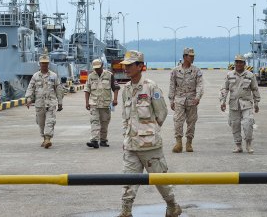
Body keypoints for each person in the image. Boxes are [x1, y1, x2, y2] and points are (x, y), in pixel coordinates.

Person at [118, 50, 182, 217]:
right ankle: (126, 211)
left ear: (140, 66)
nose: (126, 68)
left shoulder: (150, 86)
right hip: (131, 145)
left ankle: (172, 206)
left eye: (130, 65)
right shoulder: (126, 89)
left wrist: (149, 131)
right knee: (128, 181)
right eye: (125, 65)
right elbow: (125, 117)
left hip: (150, 146)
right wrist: (127, 135)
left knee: (160, 180)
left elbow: (162, 112)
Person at [219, 54, 261, 154]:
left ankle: (248, 144)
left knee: (248, 123)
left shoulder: (250, 75)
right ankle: (238, 145)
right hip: (234, 104)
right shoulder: (230, 75)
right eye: (236, 62)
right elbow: (225, 89)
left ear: (244, 64)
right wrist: (222, 101)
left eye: (240, 62)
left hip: (247, 104)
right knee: (235, 124)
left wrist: (256, 103)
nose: (238, 64)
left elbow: (255, 89)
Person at [168, 47, 203, 153]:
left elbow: (200, 85)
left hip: (192, 99)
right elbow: (172, 86)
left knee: (191, 122)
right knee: (178, 121)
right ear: (184, 57)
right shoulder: (175, 71)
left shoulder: (196, 71)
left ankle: (189, 142)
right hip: (179, 99)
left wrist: (198, 97)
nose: (192, 58)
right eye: (190, 56)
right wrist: (171, 100)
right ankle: (178, 143)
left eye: (193, 56)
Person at [25, 54, 64, 149]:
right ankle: (44, 137)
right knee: (41, 123)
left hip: (50, 103)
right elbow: (30, 88)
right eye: (43, 63)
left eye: (46, 63)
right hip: (39, 104)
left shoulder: (54, 76)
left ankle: (47, 138)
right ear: (40, 64)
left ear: (48, 64)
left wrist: (60, 102)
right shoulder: (35, 76)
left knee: (50, 121)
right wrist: (29, 99)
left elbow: (58, 89)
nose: (44, 65)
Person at [84, 59, 120, 148]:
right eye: (95, 68)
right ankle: (94, 140)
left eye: (98, 68)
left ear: (102, 65)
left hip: (105, 104)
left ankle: (103, 140)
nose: (97, 70)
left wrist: (115, 99)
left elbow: (115, 88)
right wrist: (87, 102)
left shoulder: (109, 75)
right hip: (94, 103)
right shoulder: (91, 76)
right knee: (94, 121)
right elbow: (87, 90)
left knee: (104, 122)